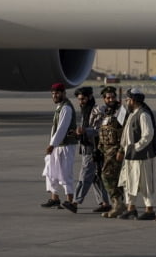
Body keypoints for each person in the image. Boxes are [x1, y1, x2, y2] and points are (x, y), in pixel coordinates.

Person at [117, 88, 156, 220]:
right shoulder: (132, 113)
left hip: (142, 156)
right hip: (130, 155)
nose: (126, 101)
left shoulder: (143, 114)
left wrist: (136, 147)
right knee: (128, 181)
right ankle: (131, 208)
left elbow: (148, 135)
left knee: (145, 183)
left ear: (133, 100)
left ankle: (150, 210)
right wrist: (122, 150)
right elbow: (125, 134)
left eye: (128, 99)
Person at [70, 86, 111, 214]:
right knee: (96, 178)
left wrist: (85, 131)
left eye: (82, 99)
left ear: (89, 97)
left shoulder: (98, 110)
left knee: (85, 176)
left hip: (94, 149)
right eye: (79, 99)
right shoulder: (85, 111)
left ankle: (75, 203)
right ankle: (105, 203)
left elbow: (101, 131)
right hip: (87, 147)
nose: (80, 102)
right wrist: (77, 134)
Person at [41, 82, 78, 212]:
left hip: (66, 146)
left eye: (57, 93)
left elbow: (62, 128)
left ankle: (70, 200)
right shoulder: (59, 107)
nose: (54, 95)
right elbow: (55, 129)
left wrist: (52, 144)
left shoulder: (66, 108)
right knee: (51, 171)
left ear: (63, 93)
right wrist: (53, 144)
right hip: (57, 145)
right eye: (53, 93)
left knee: (65, 172)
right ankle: (55, 198)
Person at [95, 86, 126, 218]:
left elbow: (125, 132)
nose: (111, 99)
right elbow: (104, 131)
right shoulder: (106, 112)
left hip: (115, 149)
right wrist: (99, 148)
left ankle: (117, 203)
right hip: (106, 149)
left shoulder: (121, 111)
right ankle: (118, 204)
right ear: (104, 99)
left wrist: (121, 150)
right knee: (114, 177)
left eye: (113, 97)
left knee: (107, 176)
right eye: (108, 98)